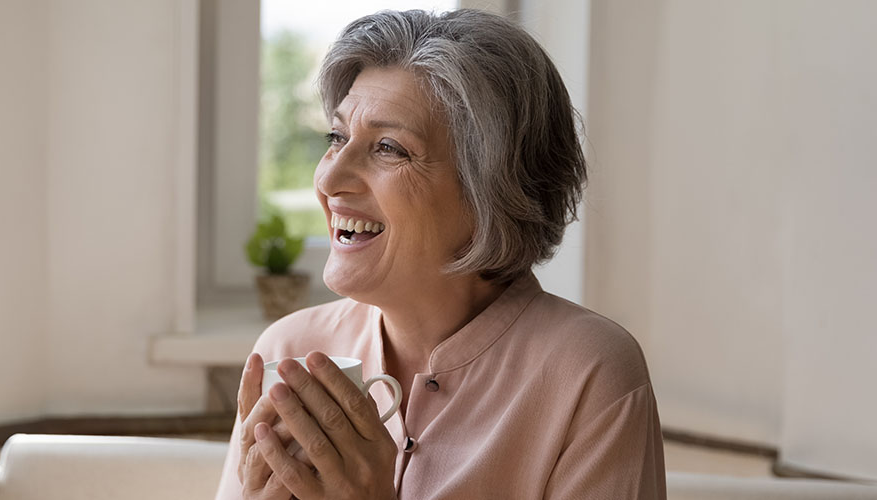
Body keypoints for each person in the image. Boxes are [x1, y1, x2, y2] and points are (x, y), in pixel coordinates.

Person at [216, 8, 665, 499]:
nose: (329, 179)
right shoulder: (288, 351)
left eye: (389, 147)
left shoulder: (590, 375)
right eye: (337, 137)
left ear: (492, 189)